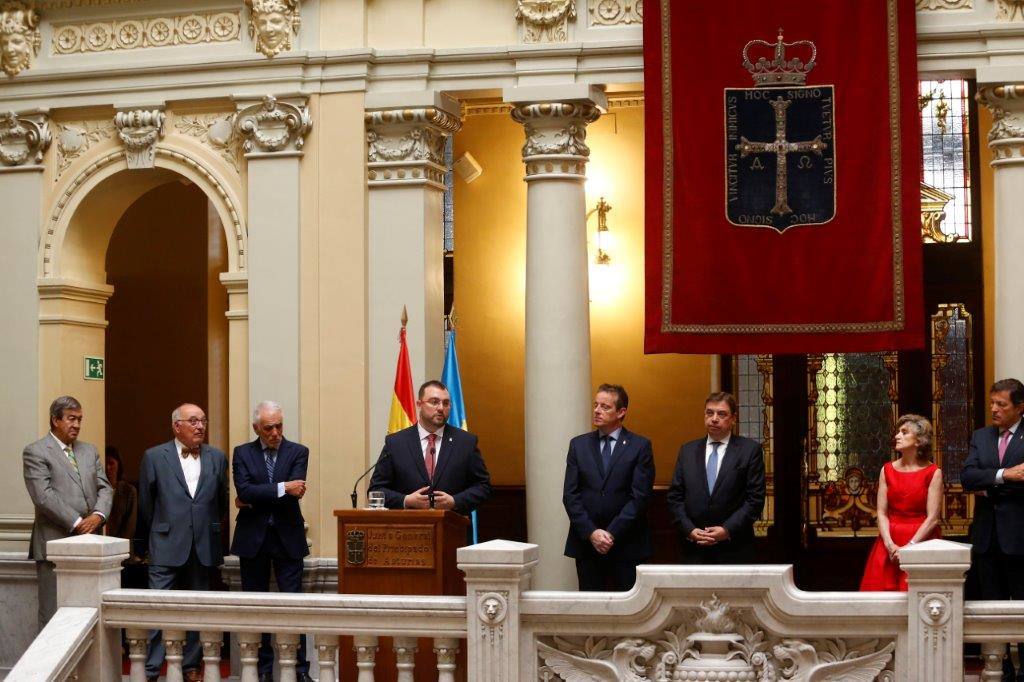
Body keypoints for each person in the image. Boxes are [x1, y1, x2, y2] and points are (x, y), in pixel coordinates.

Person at [137, 403, 228, 682]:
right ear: (177, 426)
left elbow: (221, 502)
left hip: (203, 545)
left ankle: (191, 666)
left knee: (196, 609)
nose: (200, 426)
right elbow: (146, 505)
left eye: (203, 421)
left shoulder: (217, 457)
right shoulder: (154, 456)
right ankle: (151, 669)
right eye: (193, 421)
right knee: (157, 608)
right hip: (165, 543)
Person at [231, 401, 312, 682]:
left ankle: (300, 670)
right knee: (256, 608)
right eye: (269, 428)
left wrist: (256, 495)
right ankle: (261, 671)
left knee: (294, 607)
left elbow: (297, 489)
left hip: (288, 538)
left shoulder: (298, 452)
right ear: (257, 428)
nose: (276, 432)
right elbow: (244, 490)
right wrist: (281, 487)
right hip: (253, 541)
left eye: (279, 426)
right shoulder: (242, 453)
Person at [22, 396, 112, 631]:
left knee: (88, 613)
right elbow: (44, 496)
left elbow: (105, 487)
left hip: (91, 543)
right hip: (54, 543)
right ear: (55, 420)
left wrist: (98, 516)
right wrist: (78, 522)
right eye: (71, 419)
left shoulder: (89, 450)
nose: (77, 425)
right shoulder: (36, 451)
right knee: (53, 616)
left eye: (80, 419)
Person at [562, 383, 655, 591]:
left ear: (621, 412)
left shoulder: (640, 446)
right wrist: (592, 533)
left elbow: (640, 497)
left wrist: (611, 534)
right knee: (591, 610)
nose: (597, 410)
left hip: (627, 544)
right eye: (596, 405)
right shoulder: (579, 445)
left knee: (630, 613)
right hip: (587, 544)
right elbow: (570, 495)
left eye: (605, 407)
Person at [963, 378, 1024, 679]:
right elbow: (967, 477)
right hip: (987, 540)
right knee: (992, 609)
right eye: (992, 403)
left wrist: (989, 484)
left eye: (1002, 404)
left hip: (1021, 538)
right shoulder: (981, 436)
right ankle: (1001, 671)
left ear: (1020, 408)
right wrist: (1004, 475)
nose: (994, 409)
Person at [666, 391, 765, 564]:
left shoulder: (749, 451)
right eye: (709, 412)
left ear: (733, 419)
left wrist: (726, 530)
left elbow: (755, 500)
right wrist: (689, 530)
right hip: (692, 549)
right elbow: (675, 497)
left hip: (735, 548)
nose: (714, 418)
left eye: (721, 414)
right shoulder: (687, 451)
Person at [370, 380, 492, 513]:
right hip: (407, 528)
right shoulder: (396, 443)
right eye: (434, 402)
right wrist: (406, 500)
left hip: (452, 528)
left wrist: (455, 501)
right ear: (419, 404)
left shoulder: (465, 442)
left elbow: (483, 487)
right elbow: (375, 490)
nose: (441, 408)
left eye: (446, 403)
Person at [859, 415, 943, 591]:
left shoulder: (933, 472)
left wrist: (910, 547)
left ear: (919, 441)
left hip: (921, 541)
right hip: (889, 541)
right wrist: (890, 544)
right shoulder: (887, 470)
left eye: (904, 432)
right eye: (898, 432)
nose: (897, 436)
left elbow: (933, 518)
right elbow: (881, 513)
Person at [104, 447, 138, 542]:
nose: (108, 467)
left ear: (118, 465)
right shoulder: (96, 489)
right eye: (105, 463)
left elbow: (130, 526)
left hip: (121, 547)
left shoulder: (129, 491)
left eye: (111, 463)